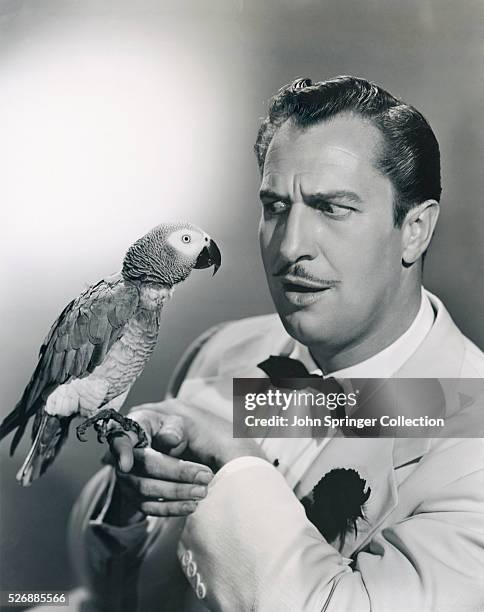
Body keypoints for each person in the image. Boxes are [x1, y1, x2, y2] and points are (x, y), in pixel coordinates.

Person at [61, 76, 484, 611]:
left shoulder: (473, 435)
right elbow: (111, 597)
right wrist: (130, 505)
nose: (290, 246)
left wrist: (238, 460)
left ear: (416, 229)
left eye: (332, 207)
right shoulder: (222, 351)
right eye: (276, 206)